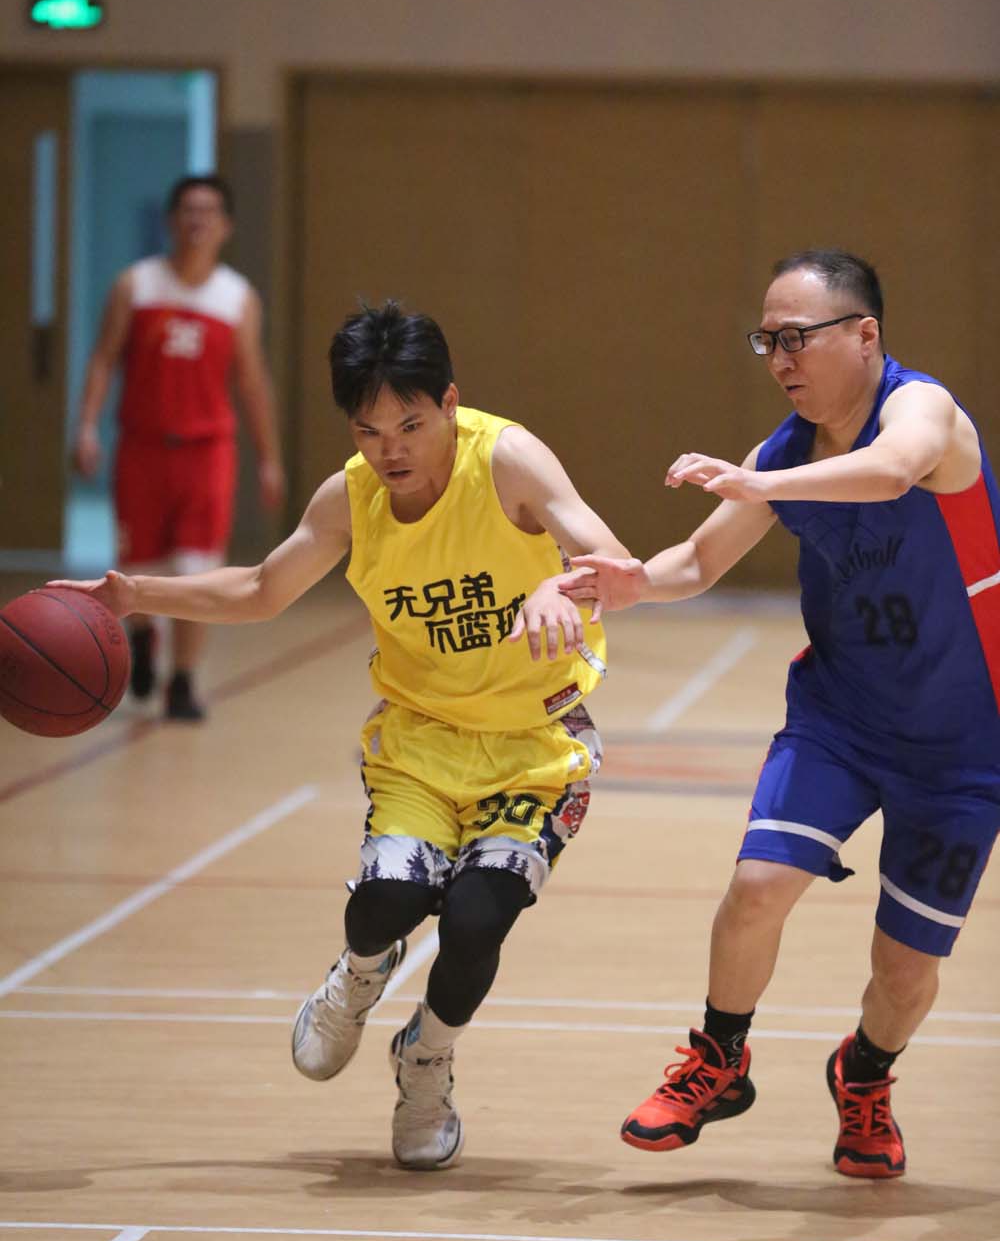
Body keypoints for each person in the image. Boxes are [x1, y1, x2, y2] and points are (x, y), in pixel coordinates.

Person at [57, 300, 628, 1169]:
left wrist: (562, 584)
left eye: (411, 424)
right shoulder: (352, 499)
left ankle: (426, 1060)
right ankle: (359, 978)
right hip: (421, 743)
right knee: (387, 905)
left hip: (535, 747)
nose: (391, 449)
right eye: (368, 430)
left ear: (449, 402)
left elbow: (612, 561)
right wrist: (135, 595)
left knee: (477, 919)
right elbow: (261, 590)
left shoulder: (507, 460)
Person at [562, 249, 1000, 1178]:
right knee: (757, 886)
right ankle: (720, 1060)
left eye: (796, 337)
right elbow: (697, 561)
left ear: (865, 335)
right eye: (767, 341)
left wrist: (761, 485)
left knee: (905, 973)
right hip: (841, 718)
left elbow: (893, 472)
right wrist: (633, 583)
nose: (779, 360)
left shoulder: (922, 411)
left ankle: (864, 1075)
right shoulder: (784, 455)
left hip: (965, 745)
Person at [72, 173, 286, 720]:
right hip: (142, 448)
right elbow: (102, 359)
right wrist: (87, 426)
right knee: (137, 564)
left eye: (209, 211)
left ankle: (183, 680)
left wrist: (269, 458)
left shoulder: (237, 298)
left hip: (207, 450)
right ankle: (143, 637)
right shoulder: (135, 285)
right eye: (188, 210)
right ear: (171, 220)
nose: (197, 221)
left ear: (226, 226)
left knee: (197, 568)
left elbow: (252, 382)